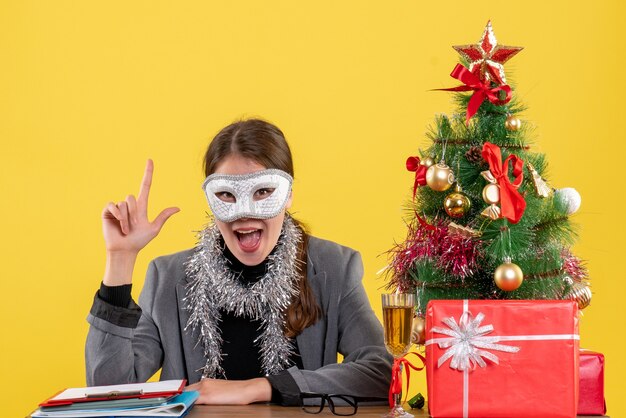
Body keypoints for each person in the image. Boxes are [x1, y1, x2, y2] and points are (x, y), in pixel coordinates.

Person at [85, 118, 392, 405]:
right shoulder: (168, 278)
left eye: (263, 192)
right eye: (228, 195)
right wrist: (120, 261)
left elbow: (381, 371)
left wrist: (258, 387)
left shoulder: (334, 269)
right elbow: (108, 393)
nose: (245, 213)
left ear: (288, 195)